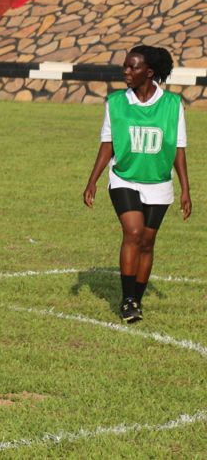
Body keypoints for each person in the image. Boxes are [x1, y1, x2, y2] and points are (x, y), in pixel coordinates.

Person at [83, 45, 192, 323]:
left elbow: (178, 148)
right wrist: (92, 180)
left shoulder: (172, 104)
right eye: (125, 66)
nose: (126, 71)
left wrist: (185, 190)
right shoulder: (116, 102)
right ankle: (128, 299)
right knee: (133, 232)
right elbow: (107, 144)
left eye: (133, 67)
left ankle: (136, 300)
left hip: (158, 182)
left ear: (149, 72)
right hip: (124, 177)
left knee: (147, 241)